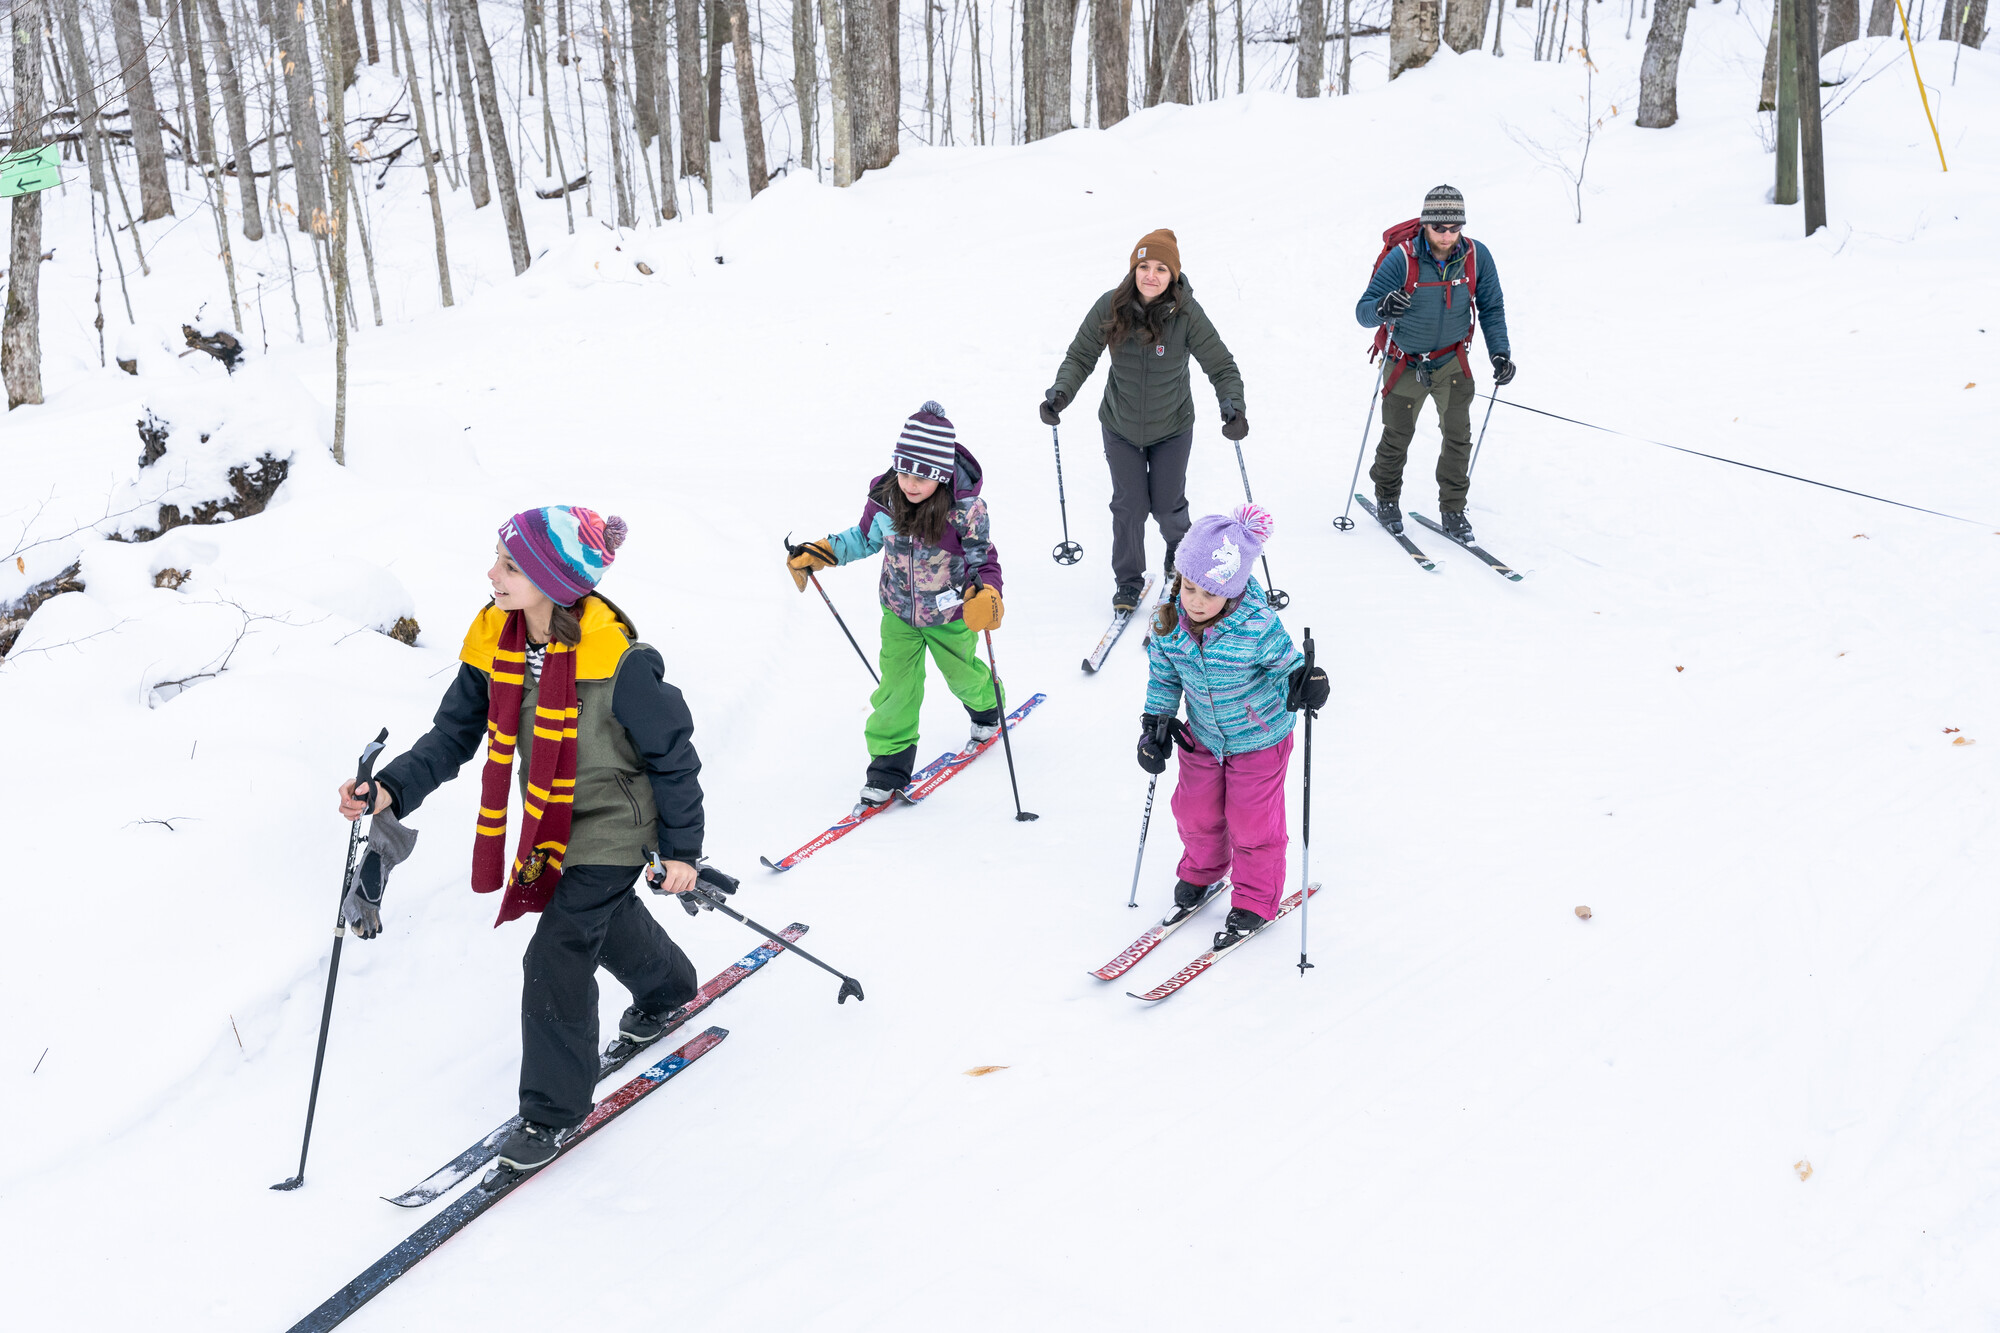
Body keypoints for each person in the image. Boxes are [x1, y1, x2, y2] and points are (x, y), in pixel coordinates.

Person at [336, 505, 705, 1172]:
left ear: (552, 577)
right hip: (553, 818)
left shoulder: (618, 659)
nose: (493, 574)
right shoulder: (496, 642)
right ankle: (669, 984)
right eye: (497, 560)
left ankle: (552, 1112)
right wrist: (389, 788)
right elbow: (453, 736)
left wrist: (682, 851)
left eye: (510, 565)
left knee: (558, 948)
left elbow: (673, 755)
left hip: (618, 819)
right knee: (597, 913)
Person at [785, 402, 1006, 812]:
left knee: (962, 677)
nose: (910, 482)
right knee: (895, 691)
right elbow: (864, 538)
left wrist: (987, 592)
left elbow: (983, 560)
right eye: (904, 470)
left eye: (921, 475)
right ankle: (888, 768)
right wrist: (823, 552)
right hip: (897, 613)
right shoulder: (887, 500)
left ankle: (988, 708)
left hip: (950, 614)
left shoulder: (965, 512)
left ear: (940, 475)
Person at [1137, 505, 1328, 951]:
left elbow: (1288, 666)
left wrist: (1306, 681)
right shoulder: (1168, 624)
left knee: (1251, 823)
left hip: (1259, 740)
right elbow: (1164, 679)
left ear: (1233, 590)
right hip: (1202, 738)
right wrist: (1155, 724)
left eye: (1209, 592)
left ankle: (1256, 900)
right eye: (1188, 587)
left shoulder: (1257, 625)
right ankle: (1203, 872)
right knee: (1194, 812)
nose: (1196, 601)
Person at [1042, 228, 1248, 615]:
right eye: (1143, 266)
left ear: (1173, 275)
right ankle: (1129, 581)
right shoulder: (1111, 306)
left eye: (1160, 269)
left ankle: (1181, 557)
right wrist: (1061, 393)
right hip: (1120, 426)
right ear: (1133, 268)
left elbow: (1221, 365)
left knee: (1169, 509)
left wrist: (1232, 404)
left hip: (1171, 427)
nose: (1150, 276)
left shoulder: (1187, 315)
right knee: (1129, 507)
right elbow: (1080, 355)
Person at [1354, 184, 1514, 544]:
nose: (1446, 236)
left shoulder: (1476, 256)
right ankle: (1386, 497)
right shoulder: (1402, 258)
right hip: (1405, 361)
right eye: (1439, 228)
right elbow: (1363, 311)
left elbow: (1492, 307)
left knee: (1458, 438)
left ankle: (1453, 509)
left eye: (1454, 228)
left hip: (1452, 361)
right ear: (1426, 224)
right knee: (1397, 436)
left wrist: (1499, 352)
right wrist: (1382, 309)